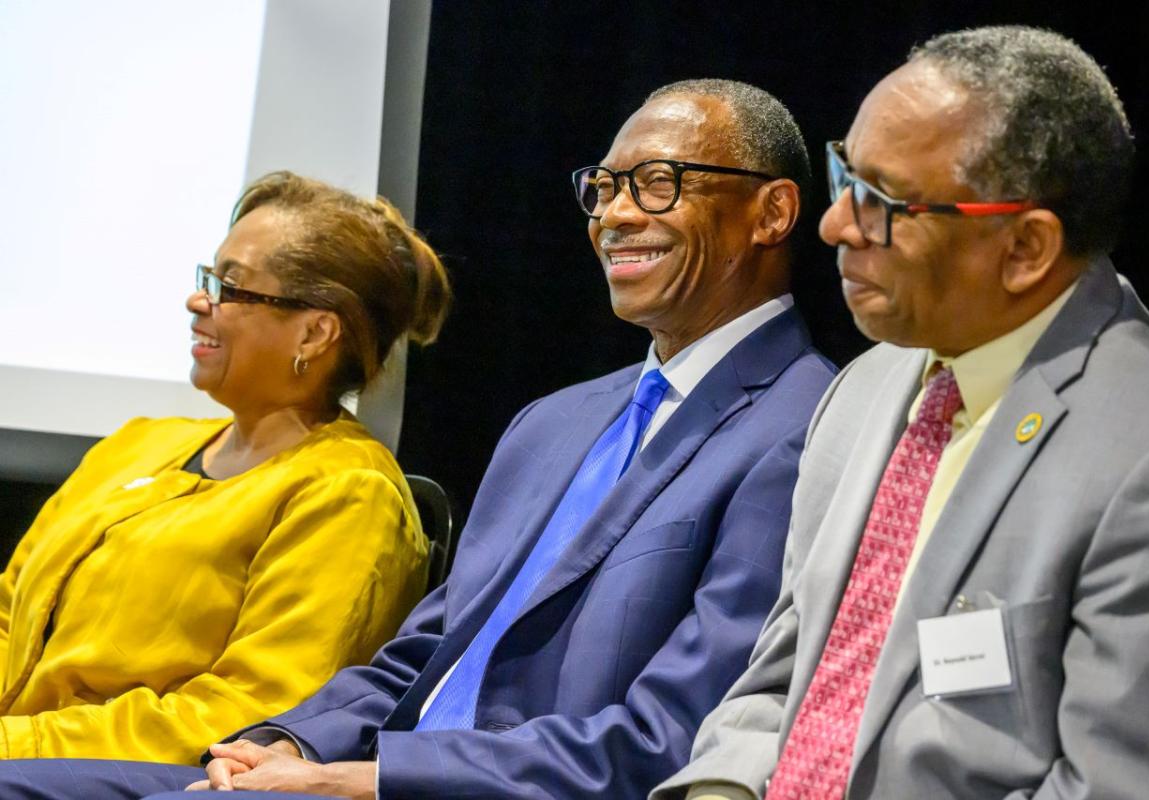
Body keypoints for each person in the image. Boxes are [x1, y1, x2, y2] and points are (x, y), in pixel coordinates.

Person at [0, 79, 836, 798]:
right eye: (604, 187)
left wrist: (367, 780)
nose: (614, 214)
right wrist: (290, 743)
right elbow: (424, 650)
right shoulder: (555, 421)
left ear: (773, 211)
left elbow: (673, 736)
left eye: (656, 184)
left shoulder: (809, 427)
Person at [654, 25, 1149, 800]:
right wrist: (722, 788)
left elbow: (1119, 786)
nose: (835, 225)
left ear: (1025, 250)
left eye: (881, 202)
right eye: (847, 175)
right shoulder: (866, 387)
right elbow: (782, 679)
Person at [0, 171, 450, 764]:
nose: (198, 300)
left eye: (229, 287)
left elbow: (245, 713)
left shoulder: (348, 495)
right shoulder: (138, 444)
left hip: (127, 779)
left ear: (316, 332)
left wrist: (20, 745)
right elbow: (10, 617)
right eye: (207, 277)